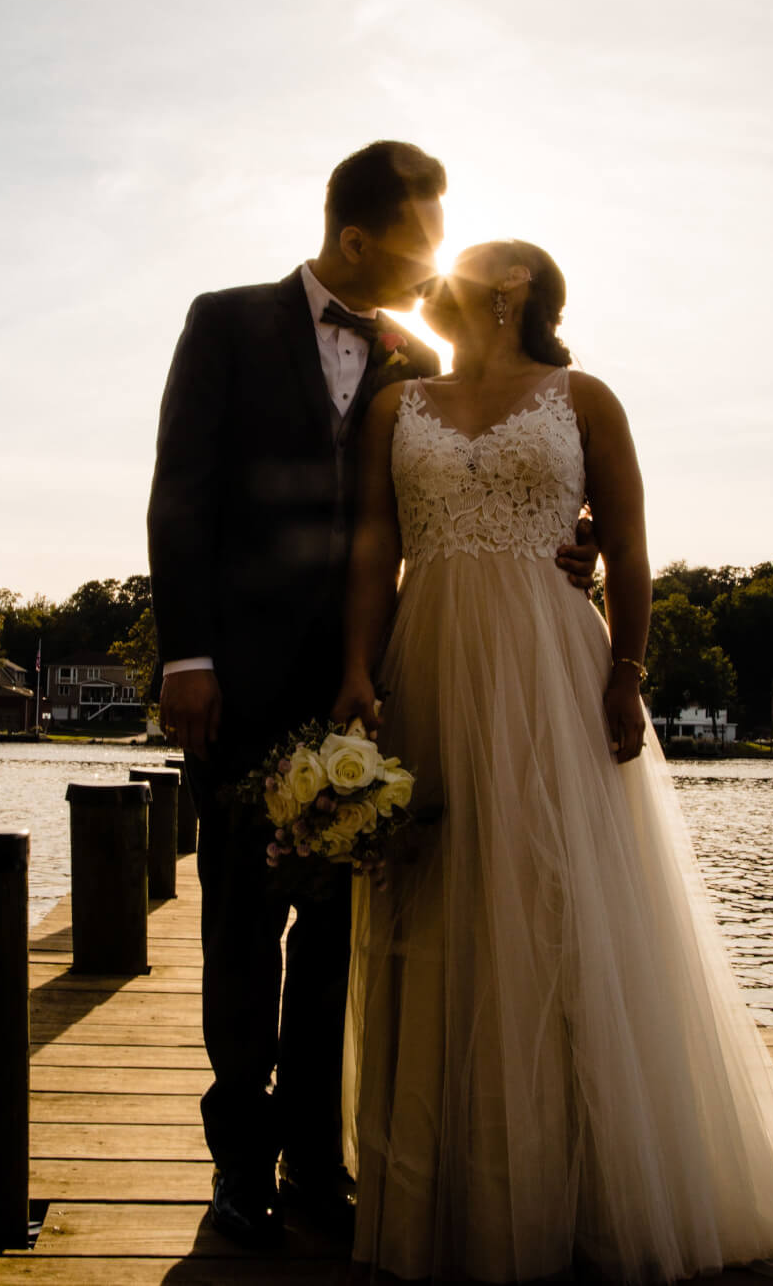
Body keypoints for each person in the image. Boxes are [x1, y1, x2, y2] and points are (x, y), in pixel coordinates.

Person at [330, 241, 773, 1282]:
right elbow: (376, 542)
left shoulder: (584, 397)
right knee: (435, 898)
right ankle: (446, 1185)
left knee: (558, 899)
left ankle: (584, 1179)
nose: (460, 262)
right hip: (428, 657)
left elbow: (634, 544)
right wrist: (356, 667)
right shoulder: (397, 404)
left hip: (554, 660)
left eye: (481, 258)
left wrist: (626, 672)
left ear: (515, 288)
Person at [146, 144, 598, 1248]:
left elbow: (461, 486)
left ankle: (317, 1161)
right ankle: (238, 1166)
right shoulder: (225, 321)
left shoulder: (414, 356)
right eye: (415, 241)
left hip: (370, 686)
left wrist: (554, 549)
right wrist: (186, 657)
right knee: (243, 926)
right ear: (353, 240)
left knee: (339, 930)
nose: (429, 264)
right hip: (236, 684)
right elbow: (180, 491)